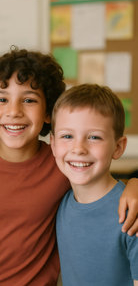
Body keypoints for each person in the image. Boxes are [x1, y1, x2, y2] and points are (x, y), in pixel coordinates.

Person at [0, 47, 138, 285]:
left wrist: (134, 184)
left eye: (29, 100)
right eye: (2, 99)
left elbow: (100, 186)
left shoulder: (61, 165)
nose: (14, 111)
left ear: (47, 114)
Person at [51, 84, 138, 285]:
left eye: (94, 137)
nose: (78, 148)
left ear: (118, 147)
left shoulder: (131, 214)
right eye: (67, 136)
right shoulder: (60, 202)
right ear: (53, 144)